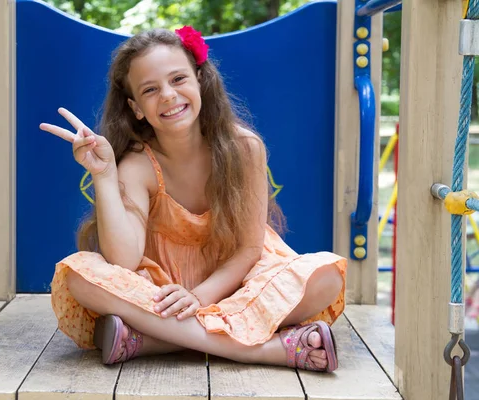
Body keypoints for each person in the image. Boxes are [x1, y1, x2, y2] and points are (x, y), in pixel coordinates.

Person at [40, 26, 347, 372]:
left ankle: (154, 341)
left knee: (327, 277)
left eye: (178, 79)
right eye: (150, 90)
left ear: (200, 80)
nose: (168, 95)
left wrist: (200, 298)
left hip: (235, 284)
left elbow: (249, 250)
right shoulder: (138, 165)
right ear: (136, 108)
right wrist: (105, 175)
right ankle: (264, 350)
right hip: (163, 295)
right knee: (79, 275)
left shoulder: (245, 149)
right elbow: (124, 261)